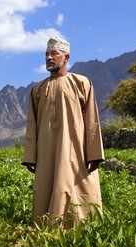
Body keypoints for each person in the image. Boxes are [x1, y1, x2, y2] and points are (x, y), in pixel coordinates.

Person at [22, 36, 104, 228]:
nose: (49, 58)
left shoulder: (82, 83)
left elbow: (92, 120)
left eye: (54, 54)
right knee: (47, 187)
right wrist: (30, 156)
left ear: (66, 57)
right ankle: (47, 228)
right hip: (46, 151)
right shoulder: (38, 89)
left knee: (79, 187)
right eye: (46, 54)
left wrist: (94, 153)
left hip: (76, 149)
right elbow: (31, 124)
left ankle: (84, 227)